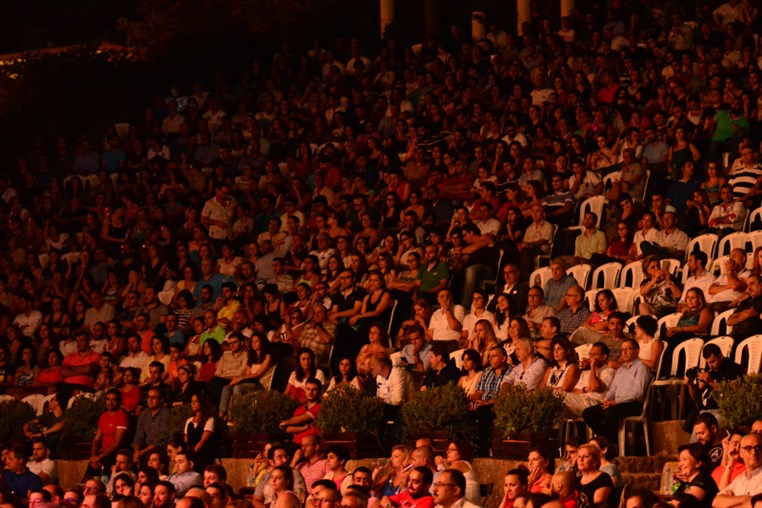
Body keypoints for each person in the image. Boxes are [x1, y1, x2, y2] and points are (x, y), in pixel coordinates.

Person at [582, 339, 653, 441]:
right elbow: (612, 390)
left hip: (634, 404)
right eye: (622, 349)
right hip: (618, 404)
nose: (624, 352)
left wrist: (615, 402)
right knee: (588, 413)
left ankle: (613, 441)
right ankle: (609, 439)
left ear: (637, 351)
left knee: (609, 413)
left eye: (628, 349)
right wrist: (606, 400)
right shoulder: (620, 370)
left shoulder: (642, 368)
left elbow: (638, 393)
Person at [683, 343, 743, 432]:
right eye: (707, 363)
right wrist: (690, 384)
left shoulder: (734, 368)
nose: (710, 366)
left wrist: (711, 382)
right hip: (706, 409)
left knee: (703, 425)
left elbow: (731, 394)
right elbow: (695, 396)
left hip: (722, 410)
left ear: (720, 355)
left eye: (712, 361)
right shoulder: (711, 370)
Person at [713, 433, 762, 507]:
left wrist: (731, 501)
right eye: (748, 448)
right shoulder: (739, 479)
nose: (754, 452)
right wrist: (746, 499)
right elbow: (716, 501)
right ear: (741, 453)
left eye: (758, 447)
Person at [673, 443, 719, 508]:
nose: (680, 464)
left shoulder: (703, 479)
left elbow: (687, 505)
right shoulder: (686, 483)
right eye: (679, 460)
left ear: (698, 463)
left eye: (685, 459)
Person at [132, 388, 170, 466]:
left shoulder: (166, 414)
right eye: (149, 397)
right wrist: (136, 451)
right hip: (145, 448)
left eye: (154, 398)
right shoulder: (143, 414)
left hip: (159, 447)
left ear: (161, 400)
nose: (150, 400)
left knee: (151, 456)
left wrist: (142, 452)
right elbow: (139, 436)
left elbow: (160, 438)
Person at [279, 378, 322, 444]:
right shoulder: (300, 409)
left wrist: (285, 422)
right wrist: (304, 427)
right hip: (297, 443)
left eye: (314, 389)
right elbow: (289, 429)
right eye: (308, 389)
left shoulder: (321, 406)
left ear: (319, 391)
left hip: (312, 444)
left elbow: (302, 419)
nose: (310, 392)